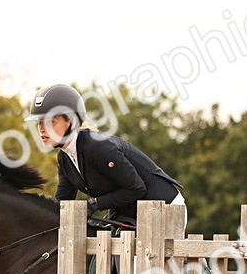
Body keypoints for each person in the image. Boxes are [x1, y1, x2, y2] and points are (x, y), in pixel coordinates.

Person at [26, 84, 184, 224]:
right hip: (128, 214)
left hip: (165, 209)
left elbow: (136, 188)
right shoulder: (64, 157)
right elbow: (62, 203)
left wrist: (95, 204)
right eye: (39, 123)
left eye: (50, 122)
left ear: (72, 121)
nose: (41, 129)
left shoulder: (97, 147)